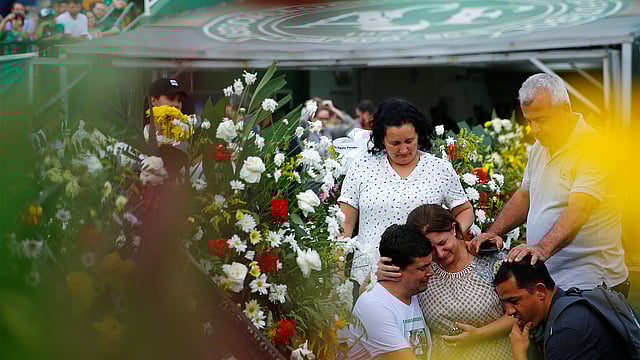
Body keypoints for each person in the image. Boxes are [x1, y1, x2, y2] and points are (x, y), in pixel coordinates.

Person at [472, 73, 629, 295]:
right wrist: (494, 232)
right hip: (555, 278)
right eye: (529, 121)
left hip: (591, 283)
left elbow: (580, 208)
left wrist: (541, 249)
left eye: (542, 120)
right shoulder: (540, 146)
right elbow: (525, 195)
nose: (534, 130)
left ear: (565, 109)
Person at [338, 98, 472, 284]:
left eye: (409, 141)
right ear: (381, 139)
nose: (403, 149)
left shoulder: (439, 168)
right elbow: (344, 222)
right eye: (395, 143)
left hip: (426, 277)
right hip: (369, 275)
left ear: (419, 134)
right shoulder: (361, 167)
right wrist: (337, 265)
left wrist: (450, 239)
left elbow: (464, 210)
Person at [378, 204, 513, 360]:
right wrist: (382, 275)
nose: (440, 254)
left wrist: (479, 335)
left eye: (442, 243)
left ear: (454, 229)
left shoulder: (487, 259)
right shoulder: (420, 269)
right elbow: (376, 300)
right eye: (430, 249)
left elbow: (518, 313)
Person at [495, 255, 628, 360]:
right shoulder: (562, 309)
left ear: (540, 291)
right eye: (504, 303)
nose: (509, 311)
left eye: (514, 301)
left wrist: (519, 355)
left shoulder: (567, 329)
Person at [341, 224, 434, 360]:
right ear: (394, 268)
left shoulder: (413, 293)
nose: (430, 273)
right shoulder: (373, 306)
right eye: (422, 268)